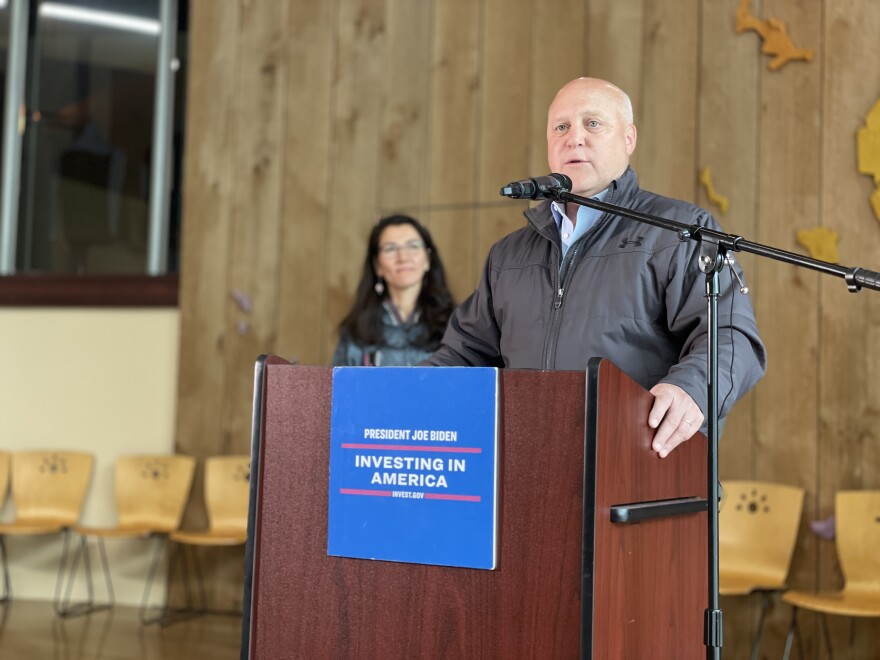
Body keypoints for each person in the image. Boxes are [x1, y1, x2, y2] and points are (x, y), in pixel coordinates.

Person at [424, 77, 767, 458]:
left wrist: (693, 388)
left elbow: (732, 336)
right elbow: (464, 354)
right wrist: (399, 393)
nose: (574, 138)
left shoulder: (679, 231)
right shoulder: (509, 256)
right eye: (561, 126)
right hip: (528, 478)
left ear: (628, 139)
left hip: (640, 475)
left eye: (592, 123)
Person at [333, 215, 456, 367]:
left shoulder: (456, 324)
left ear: (428, 259)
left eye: (413, 246)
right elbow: (340, 388)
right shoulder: (356, 330)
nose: (403, 257)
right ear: (377, 265)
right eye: (390, 249)